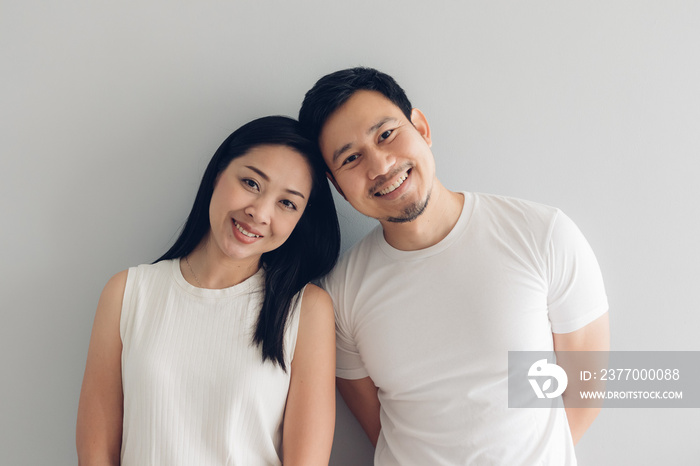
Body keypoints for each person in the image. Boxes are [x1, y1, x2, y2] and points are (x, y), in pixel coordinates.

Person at [298, 67, 610, 465]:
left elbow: (587, 388)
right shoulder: (339, 295)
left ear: (421, 127)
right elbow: (378, 427)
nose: (379, 165)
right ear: (336, 184)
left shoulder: (542, 234)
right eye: (352, 158)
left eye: (386, 134)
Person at [76, 116, 340, 466]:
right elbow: (96, 455)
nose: (259, 213)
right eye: (251, 182)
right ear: (218, 174)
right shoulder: (127, 293)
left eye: (287, 203)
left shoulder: (305, 310)